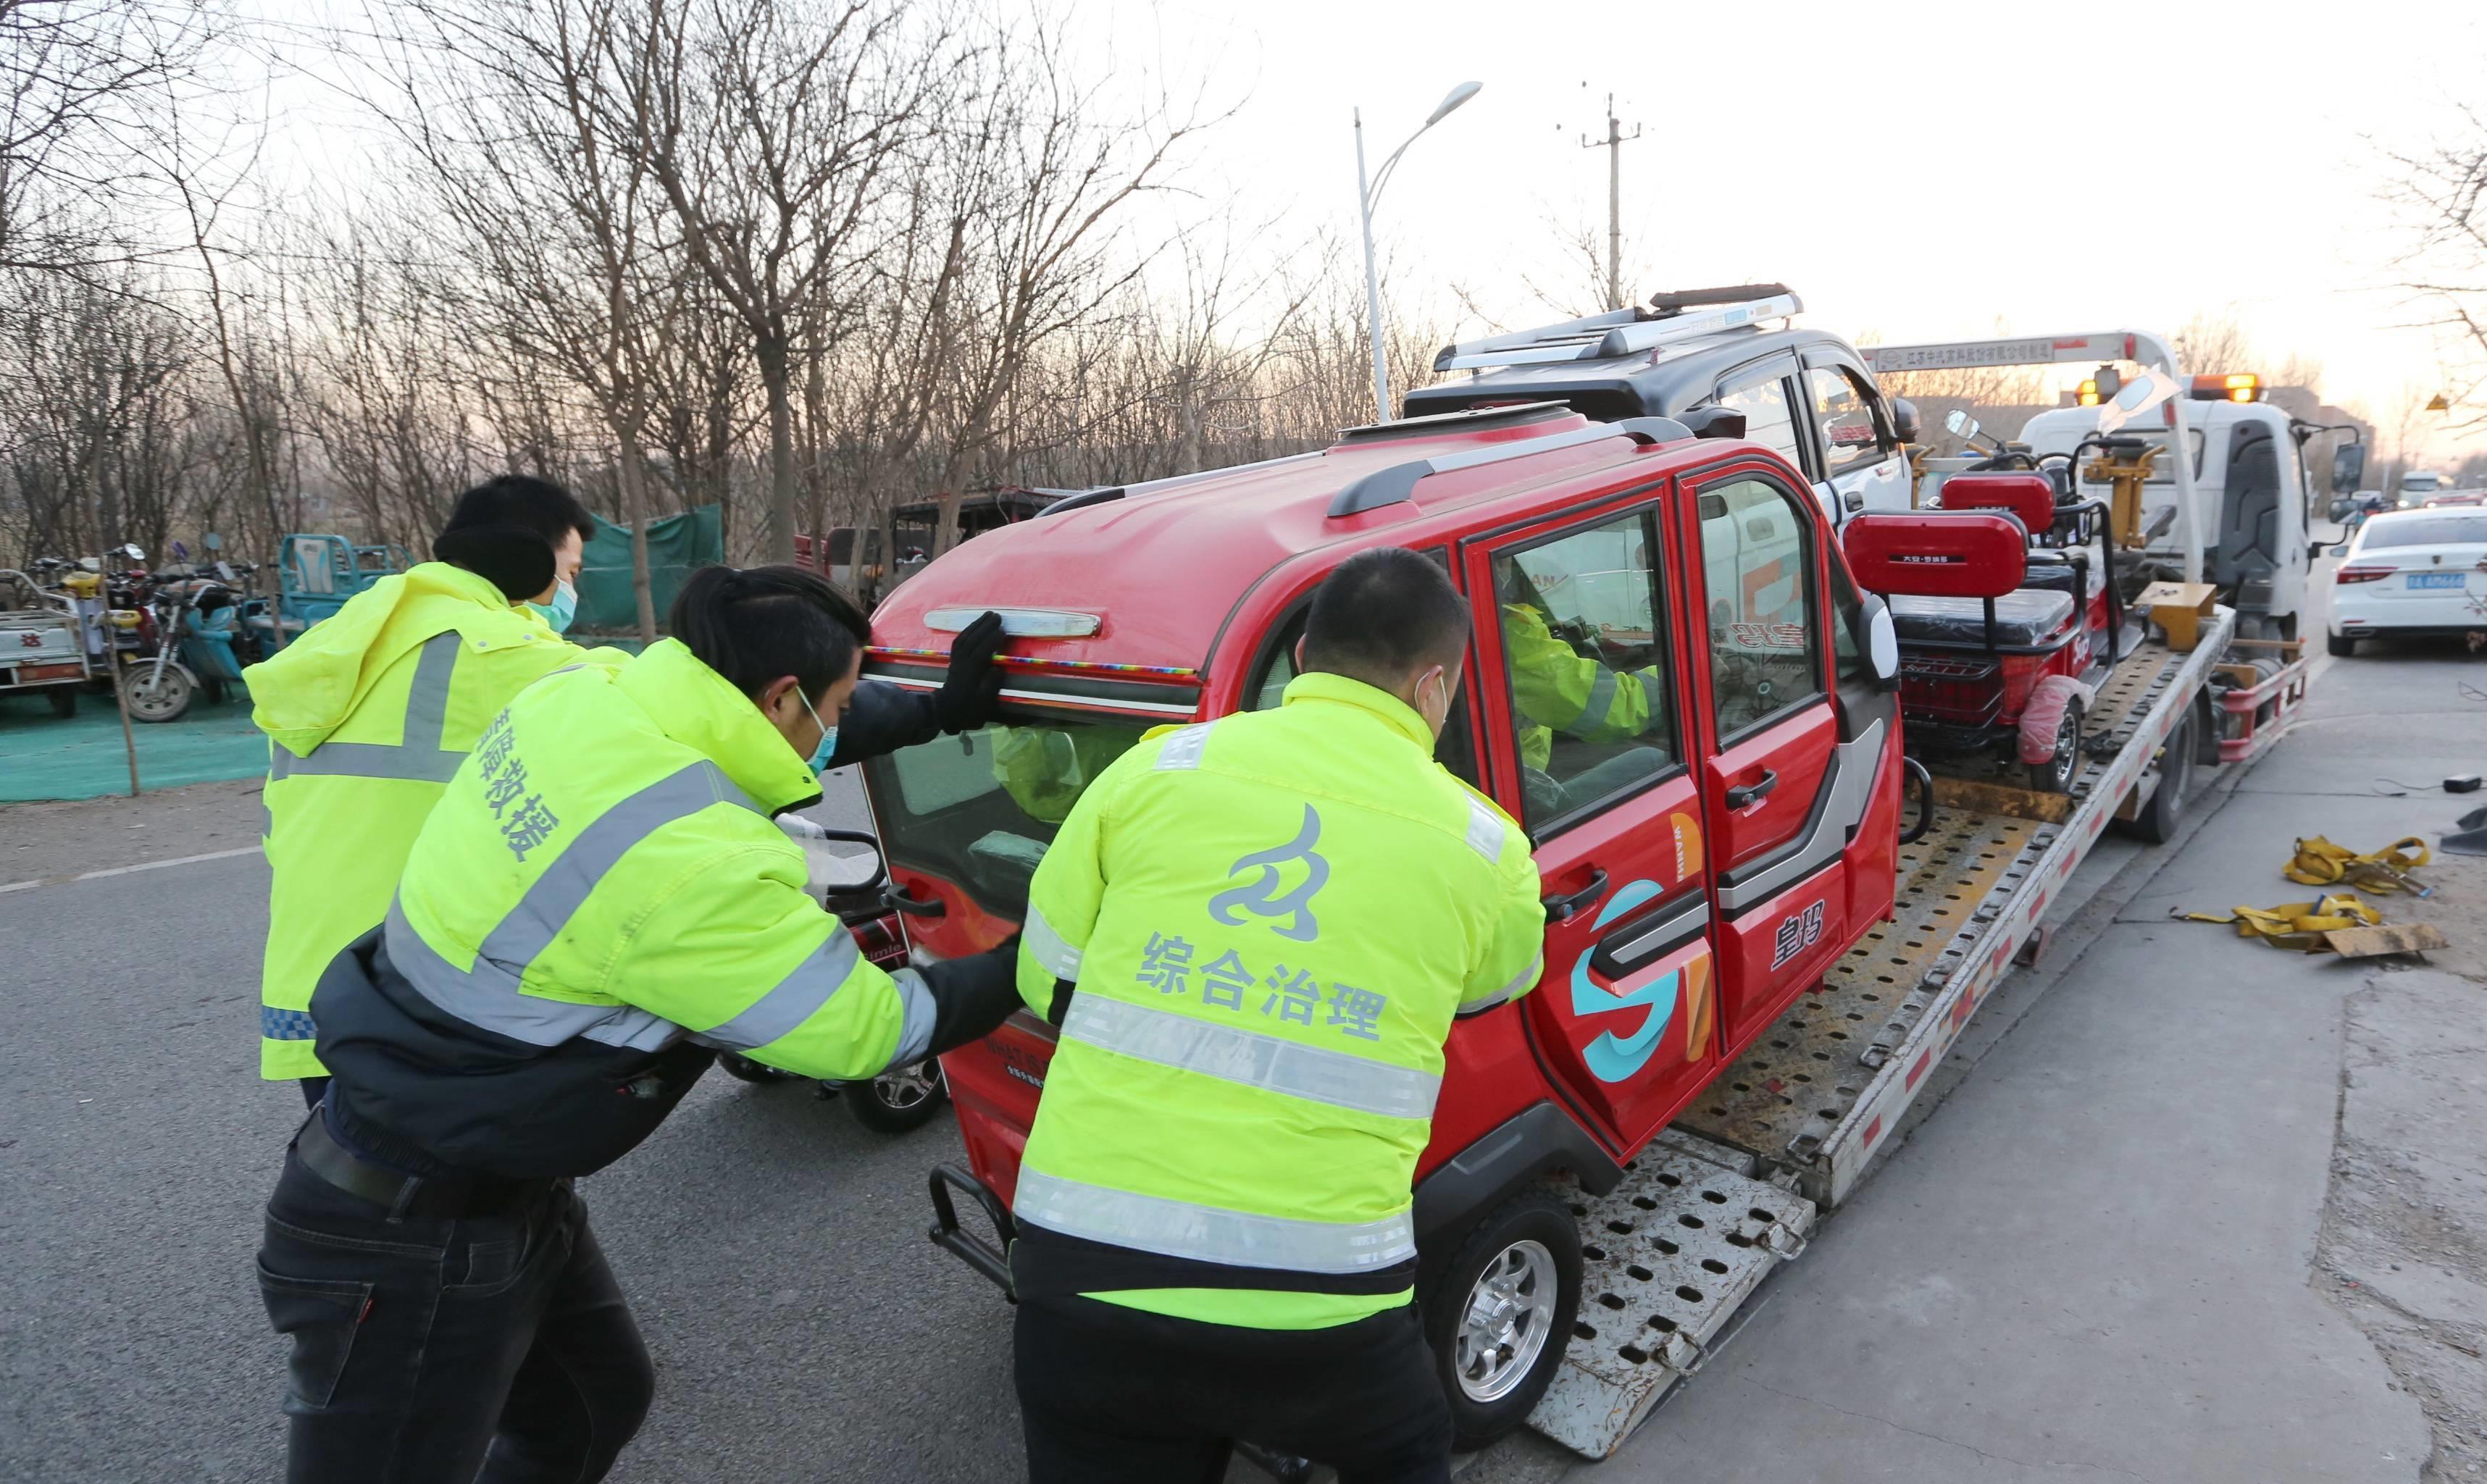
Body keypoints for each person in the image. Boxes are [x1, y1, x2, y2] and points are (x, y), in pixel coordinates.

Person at [254, 566, 1024, 1484]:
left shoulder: (583, 698)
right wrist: (1046, 955)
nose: (844, 718)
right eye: (844, 697)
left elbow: (754, 726)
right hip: (409, 1238)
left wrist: (935, 712)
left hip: (477, 1177)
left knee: (593, 1406)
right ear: (784, 696)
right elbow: (864, 1032)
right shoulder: (688, 863)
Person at [1006, 546, 1547, 1484]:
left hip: (1081, 1283)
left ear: (1301, 657)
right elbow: (1493, 984)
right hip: (1321, 1312)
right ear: (1434, 686)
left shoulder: (1155, 770)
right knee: (1409, 1450)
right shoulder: (1483, 845)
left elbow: (1047, 980)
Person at [251, 476, 606, 1110]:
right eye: (570, 570)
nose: (571, 590)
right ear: (526, 559)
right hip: (421, 992)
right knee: (478, 1198)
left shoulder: (339, 642)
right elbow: (651, 704)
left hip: (316, 981)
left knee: (351, 1188)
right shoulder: (493, 647)